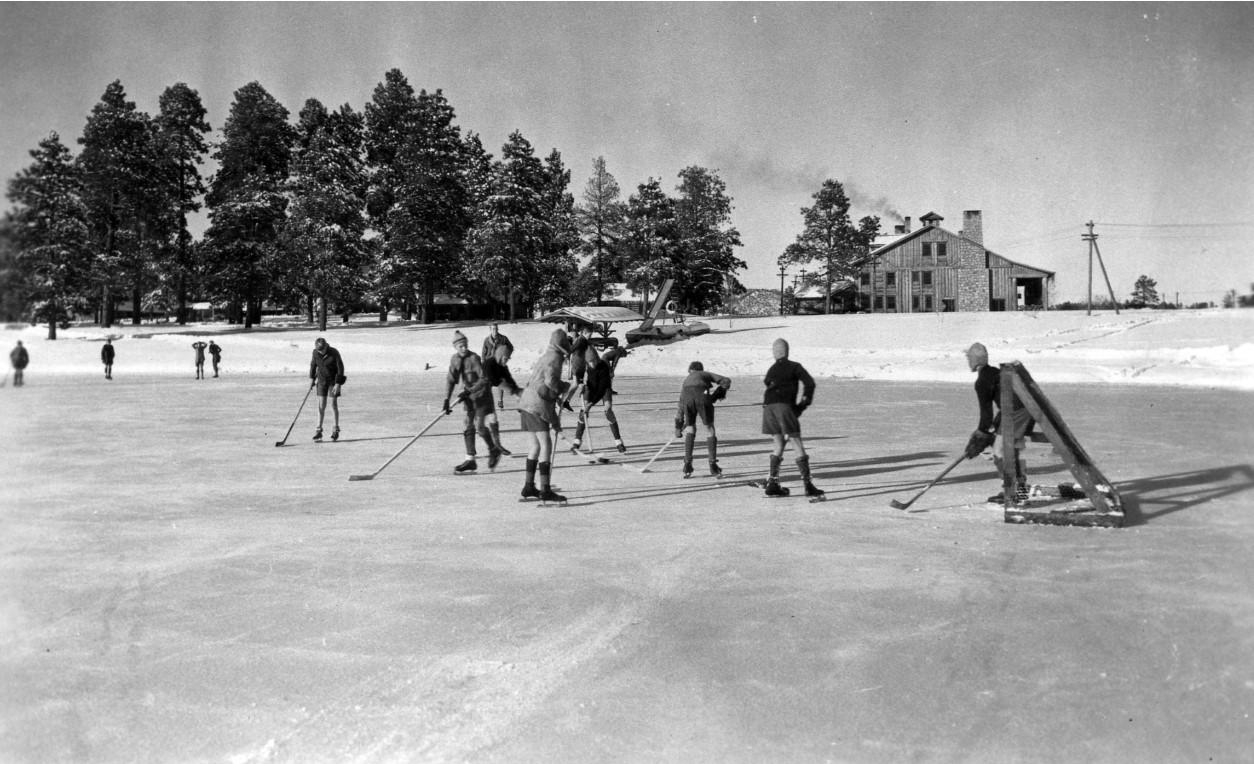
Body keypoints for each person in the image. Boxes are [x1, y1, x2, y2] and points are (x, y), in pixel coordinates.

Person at [964, 342, 1035, 504]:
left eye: (968, 358)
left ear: (973, 360)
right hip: (1022, 409)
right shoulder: (994, 372)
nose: (968, 361)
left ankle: (1013, 492)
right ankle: (1020, 493)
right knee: (1013, 452)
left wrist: (980, 435)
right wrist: (994, 427)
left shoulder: (982, 381)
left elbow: (986, 412)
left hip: (1016, 412)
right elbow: (1002, 400)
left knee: (1000, 451)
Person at [760, 338, 823, 498]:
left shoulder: (772, 369)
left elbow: (768, 383)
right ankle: (808, 485)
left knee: (778, 442)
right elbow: (810, 384)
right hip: (783, 406)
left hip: (768, 407)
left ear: (774, 353)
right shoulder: (794, 366)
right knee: (795, 441)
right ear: (787, 351)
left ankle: (773, 483)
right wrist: (802, 405)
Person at [517, 328, 572, 502]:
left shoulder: (546, 355)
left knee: (534, 446)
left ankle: (528, 486)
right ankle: (545, 489)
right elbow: (549, 385)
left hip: (526, 402)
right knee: (545, 444)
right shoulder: (555, 358)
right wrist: (563, 387)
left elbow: (543, 384)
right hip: (536, 405)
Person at [444, 330, 501, 473]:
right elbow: (451, 380)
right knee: (467, 424)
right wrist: (446, 399)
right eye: (460, 346)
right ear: (455, 347)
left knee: (480, 426)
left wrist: (470, 391)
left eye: (465, 345)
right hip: (468, 397)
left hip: (482, 395)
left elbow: (484, 379)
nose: (464, 348)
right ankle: (470, 460)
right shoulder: (455, 360)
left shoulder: (473, 358)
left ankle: (494, 450)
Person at [675, 361, 732, 478]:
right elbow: (726, 381)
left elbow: (681, 404)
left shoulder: (686, 381)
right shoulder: (704, 373)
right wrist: (716, 396)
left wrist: (678, 426)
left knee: (690, 428)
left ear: (690, 370)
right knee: (709, 428)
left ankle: (687, 464)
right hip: (702, 396)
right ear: (700, 369)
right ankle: (713, 465)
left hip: (687, 398)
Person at [570, 344, 628, 455]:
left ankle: (618, 442)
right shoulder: (584, 364)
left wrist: (591, 403)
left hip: (604, 388)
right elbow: (577, 372)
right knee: (583, 410)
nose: (593, 364)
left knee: (608, 410)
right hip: (591, 387)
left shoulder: (603, 367)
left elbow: (601, 389)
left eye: (594, 361)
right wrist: (581, 383)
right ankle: (577, 441)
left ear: (597, 358)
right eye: (590, 362)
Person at [482, 342, 522, 456]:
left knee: (492, 417)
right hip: (474, 392)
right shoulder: (488, 364)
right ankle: (470, 454)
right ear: (500, 355)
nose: (507, 360)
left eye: (508, 358)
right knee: (474, 423)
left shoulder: (503, 366)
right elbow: (494, 380)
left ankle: (497, 445)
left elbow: (509, 380)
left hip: (486, 393)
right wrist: (512, 390)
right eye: (505, 358)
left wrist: (517, 391)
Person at [309, 337, 346, 441]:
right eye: (319, 350)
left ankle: (335, 429)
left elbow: (340, 368)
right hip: (321, 381)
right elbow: (313, 365)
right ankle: (318, 431)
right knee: (321, 405)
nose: (320, 352)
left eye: (322, 350)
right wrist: (312, 378)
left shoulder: (334, 352)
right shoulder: (315, 353)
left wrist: (338, 384)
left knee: (333, 404)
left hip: (333, 382)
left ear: (326, 346)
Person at [481, 322, 515, 410]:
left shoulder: (503, 339)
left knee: (500, 382)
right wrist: (483, 363)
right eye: (493, 329)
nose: (495, 330)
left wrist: (506, 355)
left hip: (498, 364)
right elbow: (483, 353)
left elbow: (511, 347)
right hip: (489, 364)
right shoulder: (486, 340)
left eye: (496, 328)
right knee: (488, 383)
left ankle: (500, 400)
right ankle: (486, 402)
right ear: (490, 330)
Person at [560, 324, 594, 410]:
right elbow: (572, 348)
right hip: (577, 364)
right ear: (584, 333)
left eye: (591, 335)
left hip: (581, 364)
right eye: (589, 335)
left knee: (576, 384)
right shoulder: (581, 340)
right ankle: (563, 400)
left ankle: (566, 401)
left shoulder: (585, 341)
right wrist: (564, 355)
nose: (590, 336)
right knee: (576, 384)